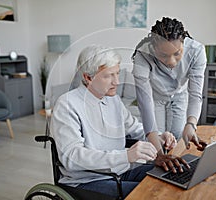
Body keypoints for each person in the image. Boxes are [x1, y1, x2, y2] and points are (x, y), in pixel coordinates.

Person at [51, 44, 188, 198]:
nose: (116, 81)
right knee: (154, 193)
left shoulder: (113, 100)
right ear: (88, 77)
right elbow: (72, 157)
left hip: (120, 171)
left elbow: (134, 128)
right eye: (109, 75)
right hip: (87, 180)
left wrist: (159, 137)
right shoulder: (67, 104)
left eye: (117, 74)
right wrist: (126, 156)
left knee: (172, 176)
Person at [132, 17, 207, 151]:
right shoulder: (142, 54)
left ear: (183, 43)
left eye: (177, 53)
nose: (172, 62)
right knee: (157, 141)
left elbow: (195, 95)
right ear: (153, 48)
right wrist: (158, 152)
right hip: (156, 97)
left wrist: (191, 124)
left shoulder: (196, 51)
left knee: (178, 137)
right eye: (163, 55)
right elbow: (144, 101)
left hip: (180, 95)